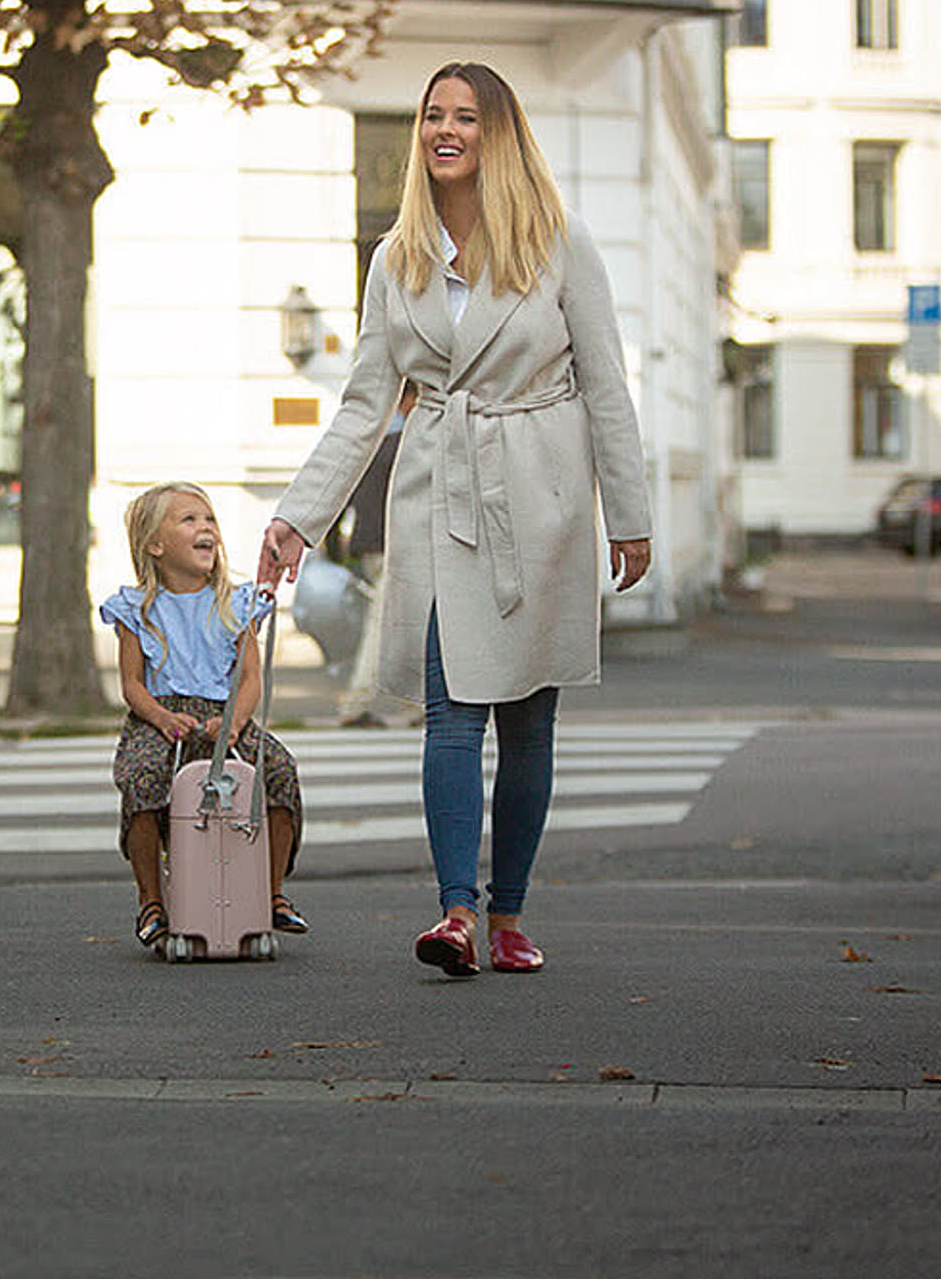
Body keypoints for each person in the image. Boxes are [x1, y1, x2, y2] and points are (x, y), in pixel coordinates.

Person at [257, 61, 651, 977]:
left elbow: (606, 385)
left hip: (542, 495)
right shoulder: (396, 259)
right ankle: (456, 915)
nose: (445, 130)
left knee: (528, 721)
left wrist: (626, 515)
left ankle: (510, 915)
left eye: (465, 117)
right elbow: (363, 406)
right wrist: (298, 519)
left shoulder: (559, 242)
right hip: (441, 491)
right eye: (433, 114)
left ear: (497, 134)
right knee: (450, 708)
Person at [102, 482, 307, 949]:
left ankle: (272, 892)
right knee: (141, 776)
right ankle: (151, 900)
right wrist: (159, 716)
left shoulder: (235, 603)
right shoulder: (137, 609)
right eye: (189, 520)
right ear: (155, 544)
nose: (205, 529)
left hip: (225, 715)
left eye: (209, 519)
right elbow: (132, 683)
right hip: (163, 716)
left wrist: (234, 721)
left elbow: (251, 677)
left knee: (278, 771)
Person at [337, 382, 416, 727]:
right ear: (408, 401)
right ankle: (357, 701)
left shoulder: (372, 441)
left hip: (371, 543)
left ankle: (417, 704)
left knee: (404, 624)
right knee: (383, 625)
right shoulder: (402, 445)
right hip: (393, 546)